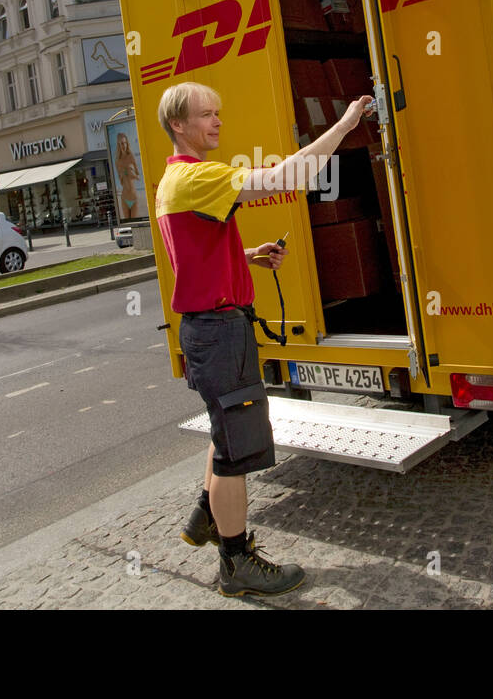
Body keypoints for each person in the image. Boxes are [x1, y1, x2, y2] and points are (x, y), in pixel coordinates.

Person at [155, 80, 373, 597]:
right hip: (219, 330)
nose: (217, 122)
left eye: (218, 112)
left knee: (225, 432)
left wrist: (244, 255)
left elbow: (192, 251)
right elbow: (287, 177)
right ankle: (237, 565)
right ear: (179, 126)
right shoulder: (196, 178)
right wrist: (344, 125)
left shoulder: (177, 182)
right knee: (238, 450)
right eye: (206, 115)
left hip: (211, 327)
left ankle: (205, 517)